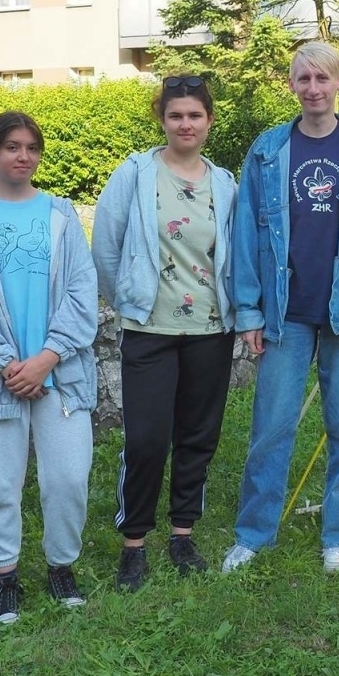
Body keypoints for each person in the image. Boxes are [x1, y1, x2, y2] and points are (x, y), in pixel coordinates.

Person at [223, 41, 339, 575]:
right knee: (271, 428)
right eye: (304, 79)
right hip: (285, 313)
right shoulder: (268, 150)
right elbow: (246, 233)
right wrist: (249, 310)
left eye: (323, 78)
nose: (314, 88)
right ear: (292, 85)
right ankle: (254, 534)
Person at [0, 111, 100, 624]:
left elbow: (83, 290)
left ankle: (60, 566)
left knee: (68, 477)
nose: (23, 156)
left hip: (61, 374)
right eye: (12, 147)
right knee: (0, 484)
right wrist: (8, 364)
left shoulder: (60, 215)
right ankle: (4, 577)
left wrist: (48, 356)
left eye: (31, 147)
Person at [92, 75, 236, 592]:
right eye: (176, 115)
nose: (185, 124)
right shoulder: (135, 174)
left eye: (195, 115)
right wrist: (127, 298)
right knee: (147, 438)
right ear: (163, 119)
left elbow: (234, 251)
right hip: (148, 327)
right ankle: (134, 543)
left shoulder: (225, 183)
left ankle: (182, 534)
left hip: (211, 328)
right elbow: (105, 246)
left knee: (198, 435)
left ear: (209, 120)